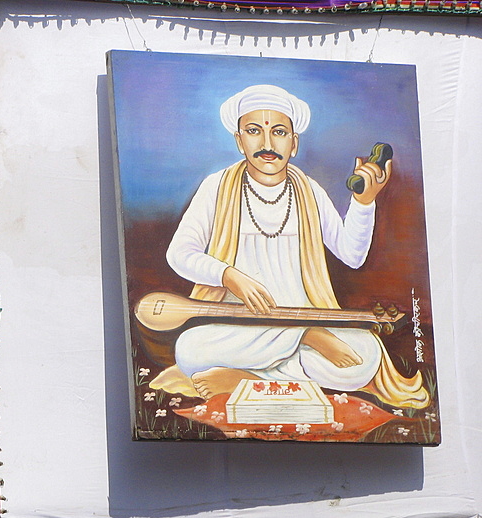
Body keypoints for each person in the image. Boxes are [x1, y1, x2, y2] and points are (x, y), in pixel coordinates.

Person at [154, 84, 428, 408]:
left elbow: (352, 256)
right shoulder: (217, 186)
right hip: (238, 325)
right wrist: (229, 276)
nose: (267, 144)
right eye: (254, 131)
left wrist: (364, 202)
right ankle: (301, 343)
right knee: (189, 348)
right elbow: (180, 254)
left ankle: (247, 377)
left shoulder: (309, 191)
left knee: (364, 356)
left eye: (280, 132)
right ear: (239, 141)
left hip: (306, 316)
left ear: (294, 144)